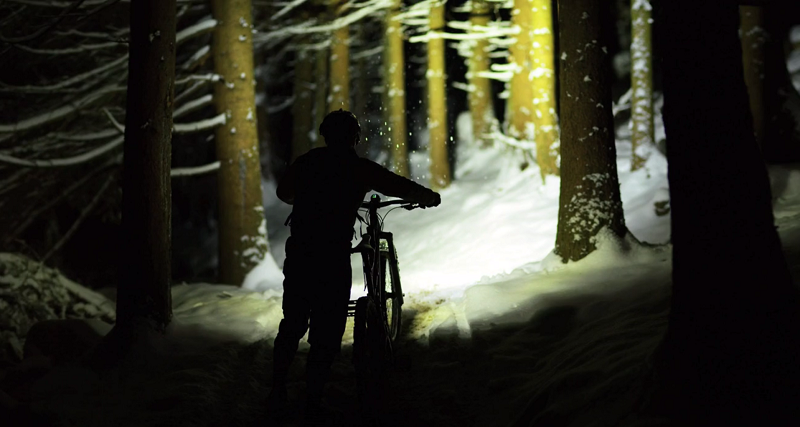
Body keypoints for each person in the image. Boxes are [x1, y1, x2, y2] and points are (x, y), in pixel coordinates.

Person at [268, 109, 441, 420]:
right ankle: (312, 400)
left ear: (324, 134)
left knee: (293, 321)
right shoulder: (357, 168)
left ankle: (276, 389)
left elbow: (284, 192)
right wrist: (426, 196)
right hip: (332, 257)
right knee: (327, 330)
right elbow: (395, 185)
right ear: (354, 138)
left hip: (301, 252)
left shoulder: (307, 162)